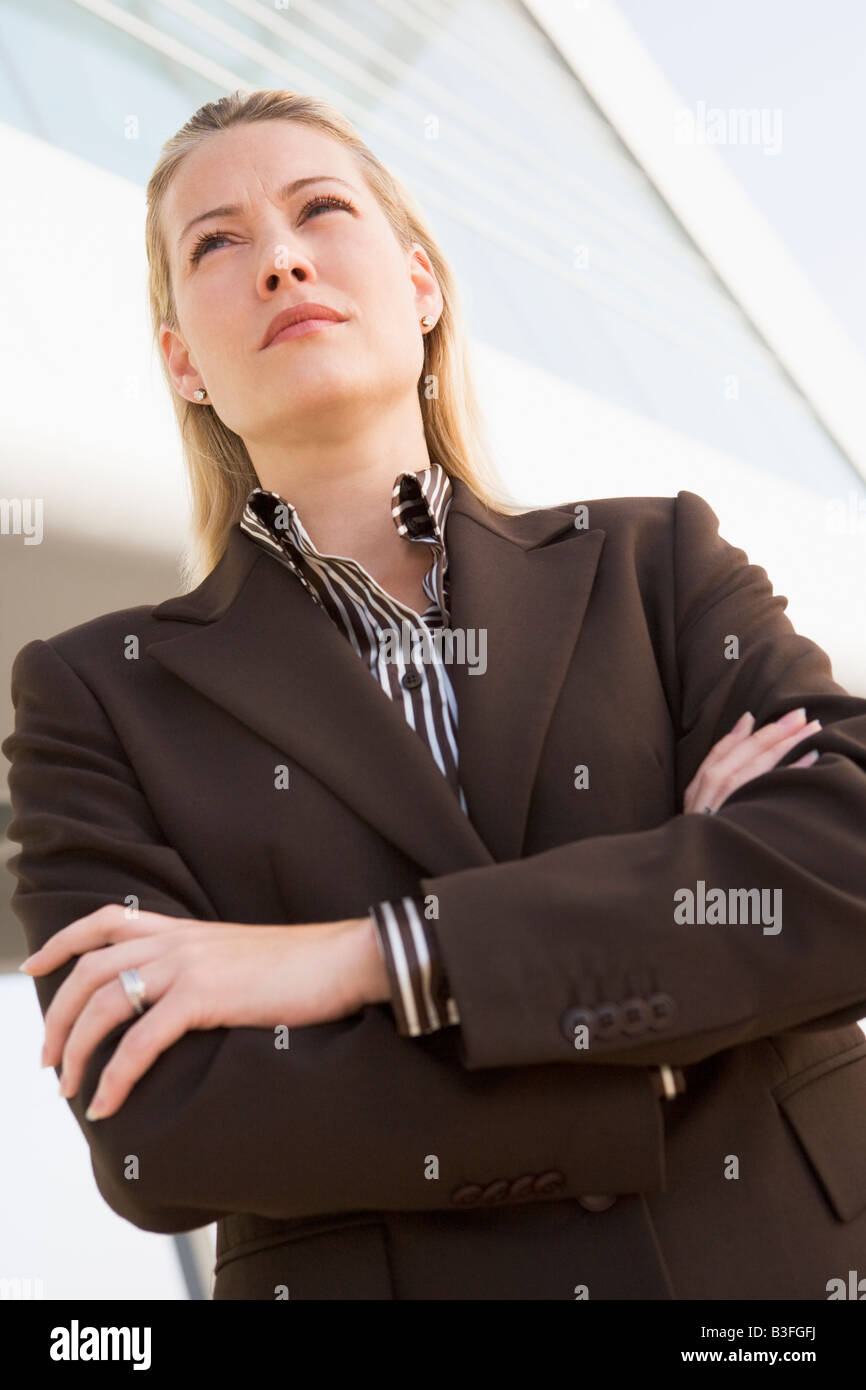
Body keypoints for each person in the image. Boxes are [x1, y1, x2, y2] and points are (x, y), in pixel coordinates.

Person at [4, 89, 866, 1302]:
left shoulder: (656, 565)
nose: (282, 258)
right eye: (216, 242)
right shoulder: (93, 696)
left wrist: (364, 959)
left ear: (421, 286)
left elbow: (843, 872)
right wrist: (659, 980)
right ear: (181, 361)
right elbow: (160, 1129)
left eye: (319, 209)